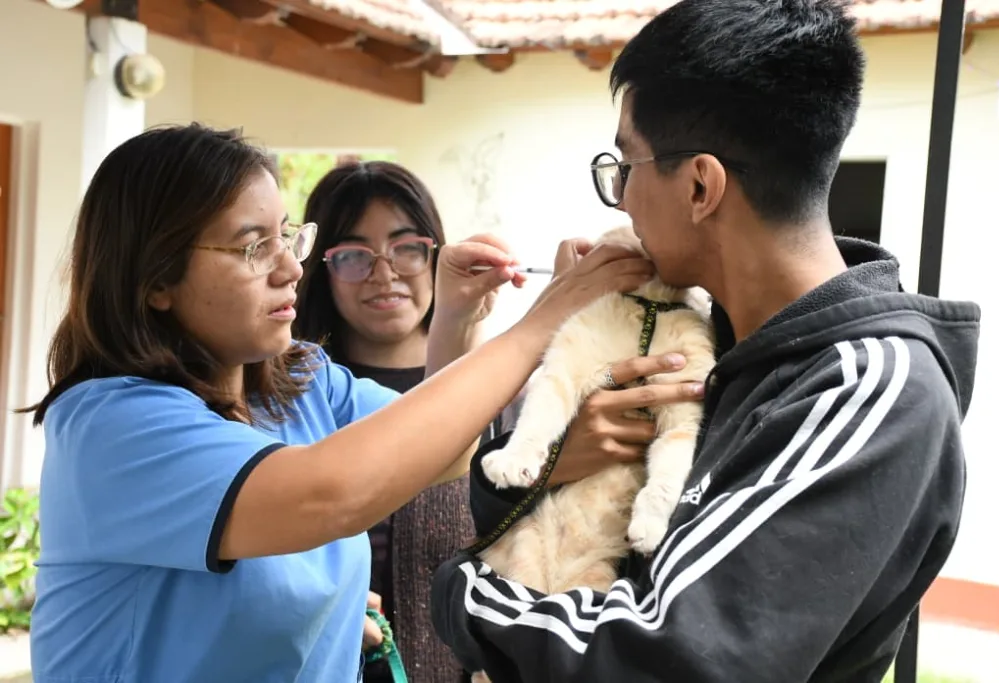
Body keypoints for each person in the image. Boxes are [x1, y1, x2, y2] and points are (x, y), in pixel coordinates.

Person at [430, 1, 981, 681]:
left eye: (626, 166)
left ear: (699, 185)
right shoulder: (709, 334)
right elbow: (507, 497)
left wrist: (462, 593)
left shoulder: (869, 388)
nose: (622, 200)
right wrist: (553, 463)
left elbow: (673, 656)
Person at [24, 123, 668, 683]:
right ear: (156, 278)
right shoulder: (112, 425)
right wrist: (541, 326)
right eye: (254, 248)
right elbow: (333, 494)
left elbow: (441, 451)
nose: (289, 269)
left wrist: (454, 320)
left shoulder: (297, 381)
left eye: (287, 237)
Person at [293, 161, 705, 682]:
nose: (384, 272)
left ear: (435, 255)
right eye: (353, 255)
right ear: (321, 269)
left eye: (407, 248)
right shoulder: (301, 398)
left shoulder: (520, 394)